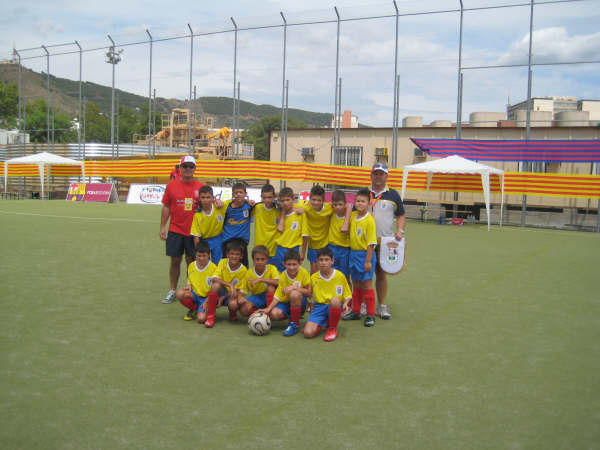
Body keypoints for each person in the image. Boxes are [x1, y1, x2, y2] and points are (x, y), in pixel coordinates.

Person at [159, 155, 204, 304]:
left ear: (195, 169)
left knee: (192, 262)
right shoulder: (171, 185)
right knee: (175, 261)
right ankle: (172, 290)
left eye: (191, 166)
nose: (188, 169)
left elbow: (208, 205)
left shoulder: (201, 187)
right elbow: (166, 206)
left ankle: (190, 289)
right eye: (185, 166)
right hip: (176, 229)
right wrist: (162, 227)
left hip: (194, 232)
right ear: (180, 168)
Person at [368, 162, 406, 320]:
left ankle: (382, 306)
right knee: (365, 275)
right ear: (371, 175)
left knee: (381, 275)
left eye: (381, 174)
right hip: (365, 242)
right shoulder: (363, 193)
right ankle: (365, 304)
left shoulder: (393, 194)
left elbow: (401, 215)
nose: (378, 176)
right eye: (375, 173)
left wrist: (400, 230)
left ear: (386, 176)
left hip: (385, 242)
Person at [343, 188, 378, 327]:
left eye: (363, 201)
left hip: (365, 255)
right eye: (357, 201)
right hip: (353, 254)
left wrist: (368, 261)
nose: (359, 203)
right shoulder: (353, 216)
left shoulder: (369, 220)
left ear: (368, 204)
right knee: (356, 283)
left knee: (367, 285)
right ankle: (356, 311)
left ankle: (370, 315)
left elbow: (371, 243)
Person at [258, 249, 311, 337]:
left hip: (301, 302)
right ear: (284, 264)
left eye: (294, 264)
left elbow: (309, 293)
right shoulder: (283, 275)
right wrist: (268, 309)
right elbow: (278, 295)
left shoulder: (304, 273)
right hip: (286, 303)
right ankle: (292, 316)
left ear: (299, 264)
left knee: (294, 293)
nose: (291, 267)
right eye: (289, 264)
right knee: (274, 314)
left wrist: (295, 287)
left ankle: (294, 324)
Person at [304, 247, 352, 342]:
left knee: (335, 300)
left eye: (326, 260)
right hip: (319, 307)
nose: (323, 262)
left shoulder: (339, 276)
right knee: (307, 333)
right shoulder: (313, 277)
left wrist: (346, 304)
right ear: (317, 261)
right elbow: (312, 298)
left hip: (335, 305)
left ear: (332, 261)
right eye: (321, 260)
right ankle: (323, 323)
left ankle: (332, 329)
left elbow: (347, 295)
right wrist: (312, 313)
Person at [203, 240, 248, 327]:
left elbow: (239, 290)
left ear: (241, 256)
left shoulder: (243, 270)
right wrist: (229, 285)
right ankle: (210, 317)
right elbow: (214, 278)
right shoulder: (222, 262)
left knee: (233, 304)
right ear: (227, 255)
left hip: (230, 295)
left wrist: (222, 298)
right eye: (232, 254)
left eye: (237, 254)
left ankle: (232, 314)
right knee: (216, 285)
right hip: (221, 291)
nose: (234, 256)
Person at [174, 240, 218, 322]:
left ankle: (204, 310)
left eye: (204, 256)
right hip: (194, 295)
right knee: (179, 293)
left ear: (209, 255)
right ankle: (194, 309)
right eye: (199, 256)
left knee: (201, 319)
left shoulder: (214, 268)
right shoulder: (191, 265)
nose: (201, 258)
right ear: (195, 255)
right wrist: (189, 284)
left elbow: (215, 289)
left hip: (206, 298)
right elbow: (190, 279)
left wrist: (207, 301)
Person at [237, 245, 280, 317]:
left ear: (267, 260)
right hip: (257, 297)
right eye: (257, 259)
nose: (260, 262)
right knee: (244, 310)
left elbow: (278, 282)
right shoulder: (249, 273)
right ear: (253, 260)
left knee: (271, 287)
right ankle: (259, 314)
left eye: (262, 259)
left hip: (272, 297)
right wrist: (239, 296)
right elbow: (242, 288)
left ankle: (269, 315)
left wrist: (261, 280)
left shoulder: (272, 268)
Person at [299, 185, 333, 274]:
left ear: (323, 200)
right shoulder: (306, 208)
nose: (316, 203)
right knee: (314, 272)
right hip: (313, 246)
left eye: (319, 200)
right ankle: (312, 288)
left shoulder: (329, 208)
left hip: (326, 244)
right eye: (313, 200)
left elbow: (344, 207)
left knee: (325, 272)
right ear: (309, 199)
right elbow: (296, 208)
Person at [272, 187, 307, 272]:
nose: (285, 203)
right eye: (282, 200)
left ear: (293, 199)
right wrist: (283, 213)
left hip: (294, 249)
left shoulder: (300, 214)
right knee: (280, 273)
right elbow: (280, 229)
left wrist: (302, 253)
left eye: (288, 200)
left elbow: (305, 235)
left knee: (292, 273)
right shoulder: (278, 212)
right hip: (280, 248)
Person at [190, 185, 227, 264]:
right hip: (205, 241)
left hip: (218, 239)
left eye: (208, 197)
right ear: (199, 199)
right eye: (203, 197)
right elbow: (196, 236)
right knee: (205, 263)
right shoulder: (197, 215)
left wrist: (248, 201)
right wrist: (198, 250)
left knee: (218, 263)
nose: (205, 200)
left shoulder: (220, 207)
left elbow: (234, 201)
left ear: (213, 198)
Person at [221, 182, 253, 268]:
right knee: (226, 268)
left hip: (242, 242)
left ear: (245, 194)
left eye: (241, 192)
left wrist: (247, 201)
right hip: (228, 241)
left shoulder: (249, 206)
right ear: (232, 194)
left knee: (244, 267)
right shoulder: (226, 206)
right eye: (236, 193)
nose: (238, 194)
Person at [252, 184, 280, 263]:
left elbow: (294, 207)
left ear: (274, 197)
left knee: (273, 274)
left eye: (269, 197)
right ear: (261, 197)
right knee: (259, 273)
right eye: (264, 197)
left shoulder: (279, 210)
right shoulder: (257, 207)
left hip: (274, 249)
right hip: (259, 249)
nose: (267, 200)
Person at [327, 189, 352, 278]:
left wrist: (348, 208)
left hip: (345, 249)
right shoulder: (331, 212)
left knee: (345, 276)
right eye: (335, 205)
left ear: (345, 204)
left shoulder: (350, 216)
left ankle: (347, 291)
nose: (338, 207)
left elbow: (350, 206)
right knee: (332, 275)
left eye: (340, 204)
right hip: (332, 248)